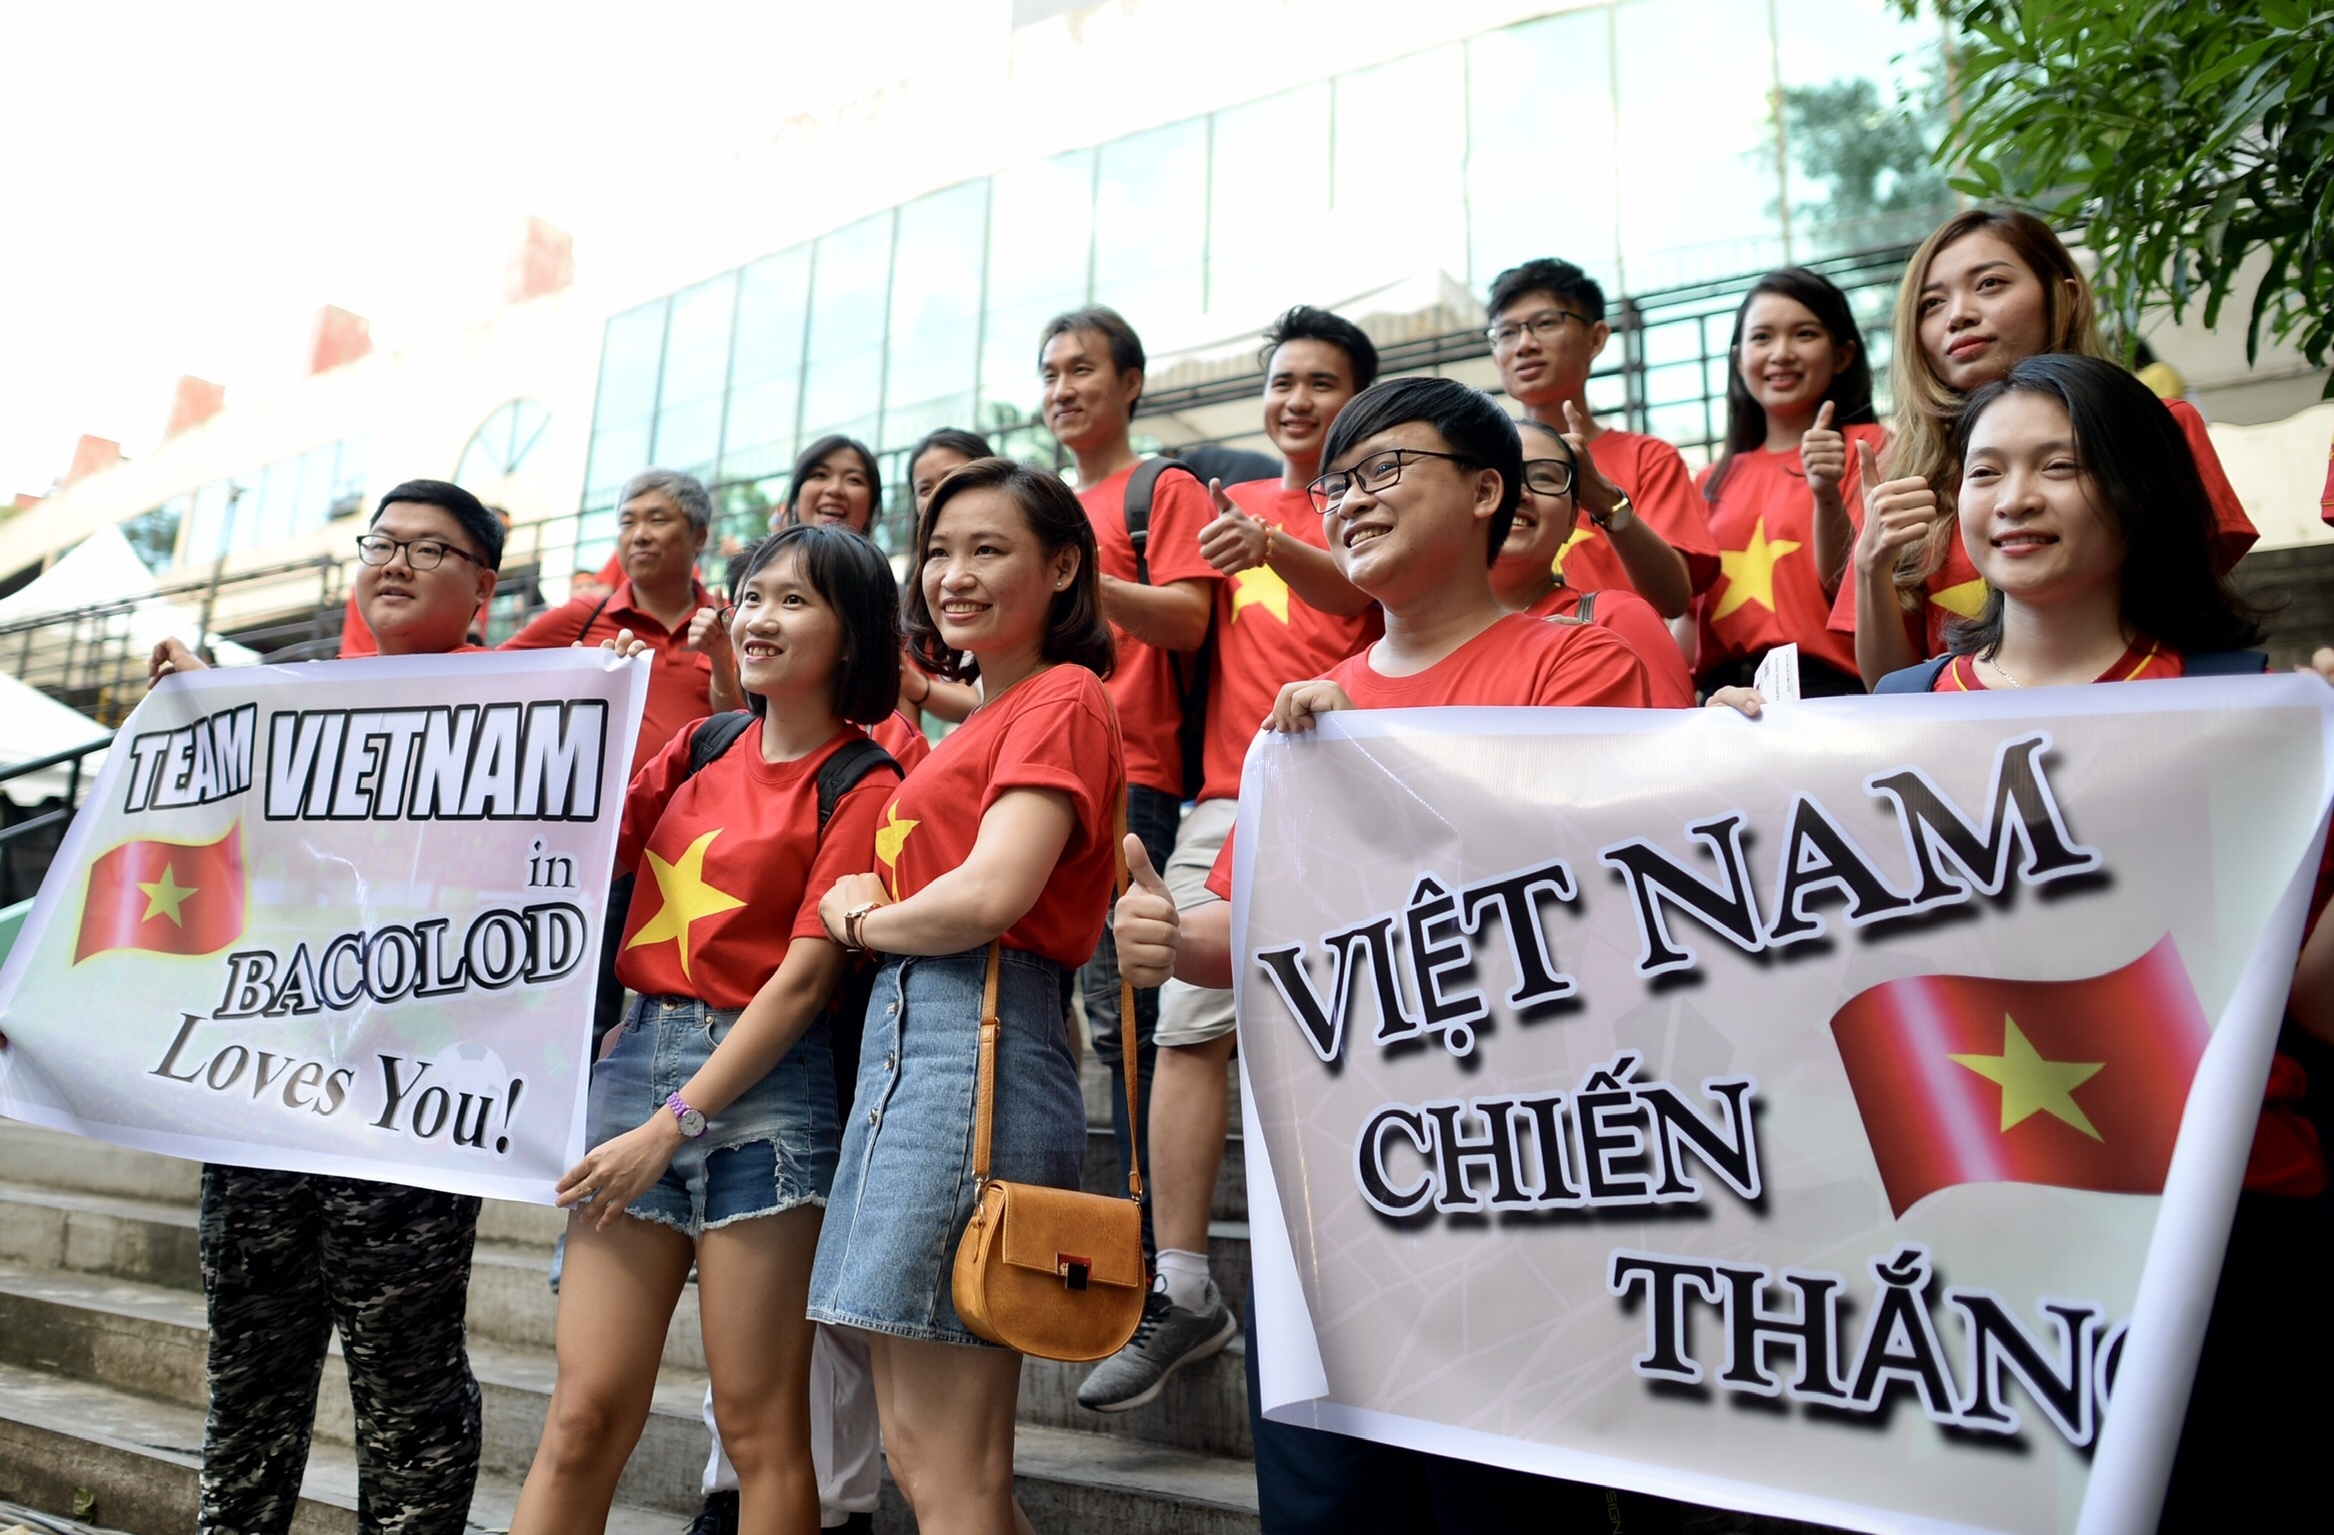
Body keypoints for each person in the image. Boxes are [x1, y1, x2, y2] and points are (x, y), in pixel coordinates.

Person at [1716, 350, 2326, 1527]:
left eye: (2062, 466)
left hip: (2216, 1237)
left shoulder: (2249, 707)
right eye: (1986, 470)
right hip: (1961, 1254)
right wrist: (1713, 773)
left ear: (2142, 490)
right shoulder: (1880, 729)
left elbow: (2312, 999)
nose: (2015, 497)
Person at [1113, 378, 1670, 1534]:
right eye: (1339, 482)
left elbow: (1549, 892)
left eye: (1385, 470)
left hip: (1513, 1201)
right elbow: (1239, 934)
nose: (1351, 500)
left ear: (1483, 491)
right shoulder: (1305, 729)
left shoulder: (1570, 665)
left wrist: (1368, 752)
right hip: (1328, 1208)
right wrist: (1165, 934)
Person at [509, 525, 901, 1535]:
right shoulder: (697, 744)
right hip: (634, 1059)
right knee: (582, 1415)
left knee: (763, 1426)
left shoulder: (866, 781)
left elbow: (806, 979)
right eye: (753, 595)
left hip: (764, 1097)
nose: (762, 618)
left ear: (851, 632)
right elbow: (557, 830)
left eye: (795, 600)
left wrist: (673, 1120)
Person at [148, 479, 505, 1535]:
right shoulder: (298, 699)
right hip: (262, 1092)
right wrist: (204, 708)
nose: (394, 561)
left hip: (412, 1105)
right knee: (251, 1365)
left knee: (407, 1382)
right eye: (381, 541)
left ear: (483, 585)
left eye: (429, 549)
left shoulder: (536, 715)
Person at [807, 456, 1122, 1535]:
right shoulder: (984, 714)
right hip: (922, 1047)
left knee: (950, 1468)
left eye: (988, 548)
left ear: (1064, 565)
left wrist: (860, 921)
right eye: (939, 550)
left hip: (970, 1043)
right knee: (928, 1456)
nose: (953, 573)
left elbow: (993, 893)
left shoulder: (1062, 696)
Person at [1076, 306, 1383, 1414]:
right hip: (1231, 796)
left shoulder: (1380, 491)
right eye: (1282, 381)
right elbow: (1189, 629)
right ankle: (1187, 1283)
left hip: (1365, 786)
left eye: (1321, 381)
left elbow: (1370, 598)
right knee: (1185, 1026)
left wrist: (1282, 547)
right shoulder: (1226, 503)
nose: (1296, 400)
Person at [1837, 208, 2258, 686]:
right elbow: (1893, 695)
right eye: (1931, 304)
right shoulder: (1900, 477)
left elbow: (2193, 622)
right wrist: (1872, 565)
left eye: (1990, 283)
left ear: (2065, 294)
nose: (1959, 315)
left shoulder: (2160, 426)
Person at [1038, 305, 1221, 1258]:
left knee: (1128, 1019)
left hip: (1133, 778)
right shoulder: (1047, 501)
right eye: (1050, 372)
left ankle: (1142, 1246)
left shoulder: (1161, 489)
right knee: (1063, 1009)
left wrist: (1071, 577)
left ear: (1132, 382)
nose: (1063, 388)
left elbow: (1189, 621)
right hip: (1037, 775)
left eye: (1083, 368)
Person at [505, 469, 736, 1055]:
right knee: (581, 1004)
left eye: (657, 519)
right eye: (627, 522)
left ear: (699, 534)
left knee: (690, 1002)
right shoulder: (581, 619)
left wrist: (722, 655)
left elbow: (745, 725)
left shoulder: (731, 622)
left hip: (697, 847)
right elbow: (490, 682)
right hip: (602, 840)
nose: (639, 535)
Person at [1486, 257, 1712, 621]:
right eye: (1507, 333)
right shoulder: (1480, 468)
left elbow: (1673, 599)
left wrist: (1606, 501)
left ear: (1596, 338)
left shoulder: (1648, 458)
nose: (1524, 344)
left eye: (1545, 323)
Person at [1692, 268, 1884, 698]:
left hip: (1835, 696)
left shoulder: (1872, 448)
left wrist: (1826, 494)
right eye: (1762, 338)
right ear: (1738, 359)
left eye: (1804, 334)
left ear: (1843, 354)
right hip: (1725, 702)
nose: (1781, 353)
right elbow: (1685, 620)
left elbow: (1852, 584)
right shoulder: (1708, 481)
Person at [1493, 418, 1695, 707]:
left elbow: (1673, 745)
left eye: (1543, 478)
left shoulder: (1619, 619)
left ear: (1573, 519)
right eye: (1500, 476)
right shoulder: (1414, 634)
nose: (1520, 493)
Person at [898, 428, 991, 727]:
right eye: (925, 489)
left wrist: (916, 686)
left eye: (952, 478)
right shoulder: (918, 593)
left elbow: (979, 694)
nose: (939, 494)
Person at [777, 436, 883, 534]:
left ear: (871, 510)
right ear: (796, 498)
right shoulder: (764, 554)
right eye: (820, 475)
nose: (835, 489)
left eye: (853, 480)